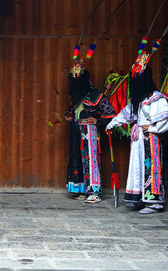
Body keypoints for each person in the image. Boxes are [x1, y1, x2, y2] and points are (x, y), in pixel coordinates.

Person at [106, 65, 167, 214]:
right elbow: (126, 113)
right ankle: (139, 199)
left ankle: (154, 202)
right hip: (138, 140)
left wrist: (153, 128)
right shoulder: (138, 100)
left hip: (150, 140)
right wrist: (112, 124)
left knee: (150, 168)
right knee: (137, 168)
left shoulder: (156, 98)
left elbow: (165, 118)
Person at [65, 59, 116, 203]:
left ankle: (94, 191)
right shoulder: (75, 98)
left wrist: (98, 122)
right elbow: (72, 112)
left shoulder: (97, 96)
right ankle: (81, 189)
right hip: (76, 131)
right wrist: (69, 118)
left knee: (91, 160)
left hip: (90, 132)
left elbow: (110, 114)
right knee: (76, 159)